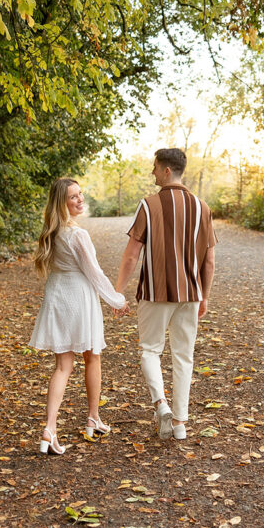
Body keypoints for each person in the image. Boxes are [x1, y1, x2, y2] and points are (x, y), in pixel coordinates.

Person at [114, 148, 216, 440]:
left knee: (150, 350)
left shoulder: (148, 205)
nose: (153, 172)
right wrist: (205, 296)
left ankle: (161, 405)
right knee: (184, 356)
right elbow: (209, 261)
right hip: (190, 294)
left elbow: (132, 254)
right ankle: (180, 424)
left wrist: (117, 292)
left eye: (155, 168)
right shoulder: (202, 207)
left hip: (154, 292)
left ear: (167, 171)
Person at [29, 178, 129, 455]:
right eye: (73, 197)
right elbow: (94, 273)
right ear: (62, 203)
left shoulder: (52, 231)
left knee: (63, 366)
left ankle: (50, 428)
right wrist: (117, 300)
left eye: (80, 194)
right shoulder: (77, 234)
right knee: (92, 356)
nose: (80, 199)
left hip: (57, 295)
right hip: (79, 298)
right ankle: (93, 418)